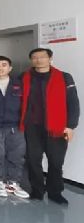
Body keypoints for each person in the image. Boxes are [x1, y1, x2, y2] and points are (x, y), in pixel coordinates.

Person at [20, 48, 79, 205]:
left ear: (50, 58)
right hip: (32, 127)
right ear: (31, 60)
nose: (38, 60)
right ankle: (37, 190)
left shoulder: (64, 77)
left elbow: (73, 103)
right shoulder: (24, 77)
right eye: (34, 57)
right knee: (33, 160)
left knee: (56, 162)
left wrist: (71, 126)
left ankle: (55, 192)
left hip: (57, 127)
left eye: (42, 57)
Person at [0, 56, 29, 199]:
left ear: (10, 68)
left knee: (17, 155)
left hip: (16, 126)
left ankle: (13, 182)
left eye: (4, 65)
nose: (0, 68)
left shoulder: (19, 84)